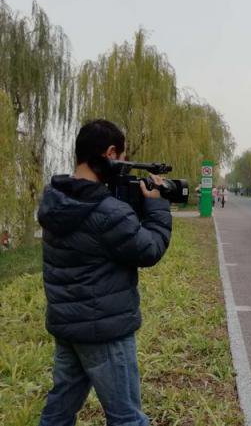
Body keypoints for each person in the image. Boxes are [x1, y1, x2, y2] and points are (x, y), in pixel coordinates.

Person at [37, 119, 172, 426]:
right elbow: (149, 250)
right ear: (111, 154)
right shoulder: (107, 211)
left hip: (67, 324)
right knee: (126, 417)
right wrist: (157, 207)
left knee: (59, 411)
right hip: (104, 331)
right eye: (122, 160)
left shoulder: (54, 198)